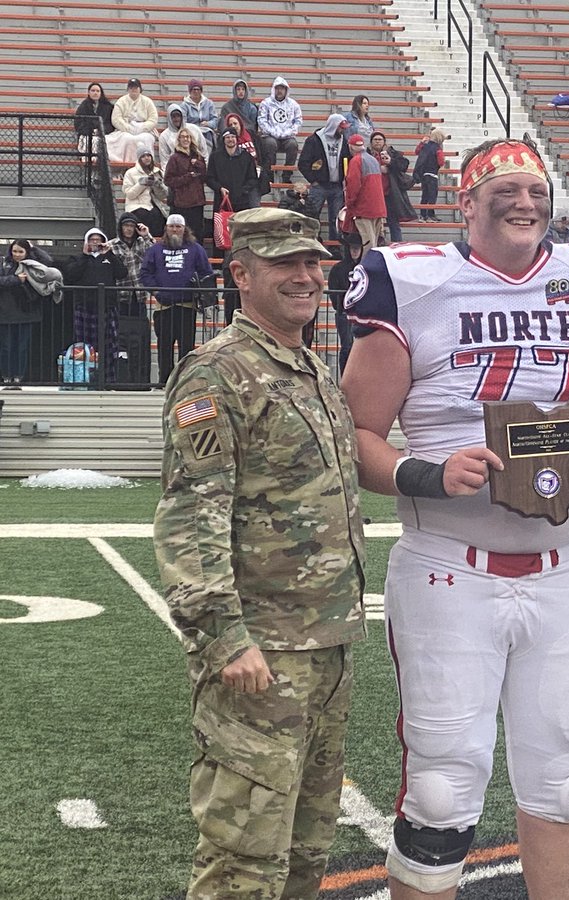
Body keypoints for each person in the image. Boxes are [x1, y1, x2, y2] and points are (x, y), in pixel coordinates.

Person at [339, 136, 569, 900]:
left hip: (567, 566)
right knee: (443, 790)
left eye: (537, 191)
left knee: (562, 784)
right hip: (451, 566)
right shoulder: (411, 280)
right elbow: (353, 437)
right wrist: (431, 474)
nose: (524, 203)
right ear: (466, 203)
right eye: (504, 190)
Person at [154, 206, 364, 900]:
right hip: (261, 657)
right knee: (244, 859)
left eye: (313, 263)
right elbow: (192, 517)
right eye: (286, 264)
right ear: (241, 275)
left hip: (324, 648)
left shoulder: (310, 369)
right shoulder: (217, 373)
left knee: (305, 852)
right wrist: (224, 638)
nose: (306, 276)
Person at [140, 214, 214, 386]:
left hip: (187, 306)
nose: (175, 229)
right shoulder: (155, 250)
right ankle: (164, 382)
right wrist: (156, 291)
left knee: (186, 348)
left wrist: (199, 290)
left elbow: (206, 273)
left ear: (184, 229)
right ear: (166, 228)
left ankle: (184, 383)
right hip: (163, 307)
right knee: (164, 347)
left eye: (178, 226)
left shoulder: (195, 249)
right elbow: (145, 273)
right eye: (172, 226)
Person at [63, 227, 127, 377]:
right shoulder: (77, 258)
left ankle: (108, 378)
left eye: (98, 240)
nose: (95, 243)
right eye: (92, 240)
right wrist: (85, 256)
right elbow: (71, 275)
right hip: (84, 306)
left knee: (109, 345)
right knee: (83, 345)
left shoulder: (110, 258)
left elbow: (122, 273)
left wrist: (109, 254)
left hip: (107, 307)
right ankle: (84, 377)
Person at [107, 213, 155, 385]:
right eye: (125, 225)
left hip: (139, 294)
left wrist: (146, 235)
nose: (128, 229)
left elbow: (155, 254)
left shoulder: (142, 242)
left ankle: (139, 373)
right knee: (121, 333)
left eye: (131, 226)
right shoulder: (112, 245)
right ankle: (122, 373)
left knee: (140, 333)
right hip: (121, 294)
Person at [0, 240, 53, 388]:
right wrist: (16, 280)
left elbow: (48, 261)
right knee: (6, 347)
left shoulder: (33, 264)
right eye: (14, 251)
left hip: (26, 312)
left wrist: (33, 247)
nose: (16, 255)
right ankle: (6, 376)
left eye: (20, 252)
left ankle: (18, 377)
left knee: (21, 347)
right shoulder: (4, 264)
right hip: (5, 313)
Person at [299, 115, 351, 242]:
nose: (343, 131)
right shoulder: (314, 140)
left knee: (337, 219)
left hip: (337, 186)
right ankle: (312, 243)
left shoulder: (344, 141)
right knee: (312, 215)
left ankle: (335, 247)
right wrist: (313, 180)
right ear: (334, 126)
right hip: (319, 186)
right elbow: (303, 163)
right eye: (341, 128)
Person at [164, 125, 209, 241]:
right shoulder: (174, 158)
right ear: (178, 140)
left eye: (188, 137)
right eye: (183, 137)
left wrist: (198, 165)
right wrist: (187, 177)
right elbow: (168, 180)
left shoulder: (198, 156)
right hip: (182, 203)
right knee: (183, 234)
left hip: (197, 202)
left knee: (198, 233)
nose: (185, 139)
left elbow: (205, 176)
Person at [343, 133, 388, 248]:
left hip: (364, 208)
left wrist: (349, 203)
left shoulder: (356, 161)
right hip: (378, 207)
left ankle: (367, 266)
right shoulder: (373, 160)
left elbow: (353, 186)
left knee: (368, 243)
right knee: (375, 241)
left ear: (351, 146)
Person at [371, 131, 417, 242]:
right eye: (375, 139)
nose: (377, 141)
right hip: (373, 195)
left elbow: (404, 164)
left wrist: (390, 162)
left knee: (394, 223)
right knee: (373, 224)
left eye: (380, 139)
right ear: (371, 142)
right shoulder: (367, 155)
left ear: (384, 142)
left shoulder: (392, 153)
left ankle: (397, 246)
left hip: (390, 194)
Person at [258, 76, 303, 188]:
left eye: (282, 88)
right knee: (270, 144)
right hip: (270, 135)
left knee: (293, 144)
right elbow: (262, 121)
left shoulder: (293, 104)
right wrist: (273, 132)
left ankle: (287, 175)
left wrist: (288, 132)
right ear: (274, 89)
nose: (279, 91)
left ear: (286, 90)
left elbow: (298, 121)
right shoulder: (266, 103)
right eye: (277, 88)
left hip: (287, 136)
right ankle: (269, 174)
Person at [328, 232, 364, 375]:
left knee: (361, 347)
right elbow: (332, 290)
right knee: (347, 347)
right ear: (348, 249)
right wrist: (341, 307)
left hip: (361, 314)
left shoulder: (365, 268)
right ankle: (345, 378)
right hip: (345, 313)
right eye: (352, 248)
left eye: (357, 248)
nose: (355, 251)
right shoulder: (338, 269)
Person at [207, 129, 261, 213]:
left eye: (233, 137)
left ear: (237, 139)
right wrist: (219, 188)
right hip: (221, 201)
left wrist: (243, 190)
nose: (230, 139)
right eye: (227, 137)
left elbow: (253, 178)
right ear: (223, 139)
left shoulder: (246, 157)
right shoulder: (215, 157)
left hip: (242, 203)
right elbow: (209, 178)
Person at [110, 77, 159, 164]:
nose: (134, 89)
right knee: (127, 139)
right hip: (125, 129)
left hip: (145, 130)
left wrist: (143, 127)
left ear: (140, 89)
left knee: (146, 139)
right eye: (131, 87)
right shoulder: (121, 101)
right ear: (128, 89)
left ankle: (147, 165)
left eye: (136, 87)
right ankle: (125, 165)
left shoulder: (147, 101)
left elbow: (153, 118)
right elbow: (116, 119)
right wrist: (127, 128)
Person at [122, 148, 169, 236]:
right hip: (136, 206)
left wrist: (157, 185)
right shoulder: (130, 173)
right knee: (143, 214)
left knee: (157, 215)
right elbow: (130, 194)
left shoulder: (157, 172)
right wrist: (142, 183)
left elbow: (162, 196)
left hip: (154, 206)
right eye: (143, 156)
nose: (146, 158)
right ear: (139, 159)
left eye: (148, 156)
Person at [73, 82, 120, 162]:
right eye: (93, 91)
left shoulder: (108, 107)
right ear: (89, 92)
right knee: (90, 141)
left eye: (98, 91)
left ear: (101, 93)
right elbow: (78, 124)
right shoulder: (83, 106)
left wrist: (101, 130)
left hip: (105, 134)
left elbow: (111, 124)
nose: (95, 93)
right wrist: (91, 131)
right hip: (88, 135)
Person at [413, 128, 446, 221]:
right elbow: (441, 162)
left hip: (424, 174)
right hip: (432, 174)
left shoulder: (425, 146)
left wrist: (421, 143)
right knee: (432, 195)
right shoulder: (437, 149)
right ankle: (430, 215)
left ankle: (422, 215)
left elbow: (417, 151)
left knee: (425, 195)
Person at [182, 77, 218, 151]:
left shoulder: (209, 103)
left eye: (198, 89)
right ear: (189, 91)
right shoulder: (184, 105)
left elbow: (215, 120)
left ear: (201, 91)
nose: (195, 92)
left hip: (206, 132)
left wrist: (208, 123)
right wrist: (194, 127)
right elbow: (183, 123)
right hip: (191, 133)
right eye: (193, 89)